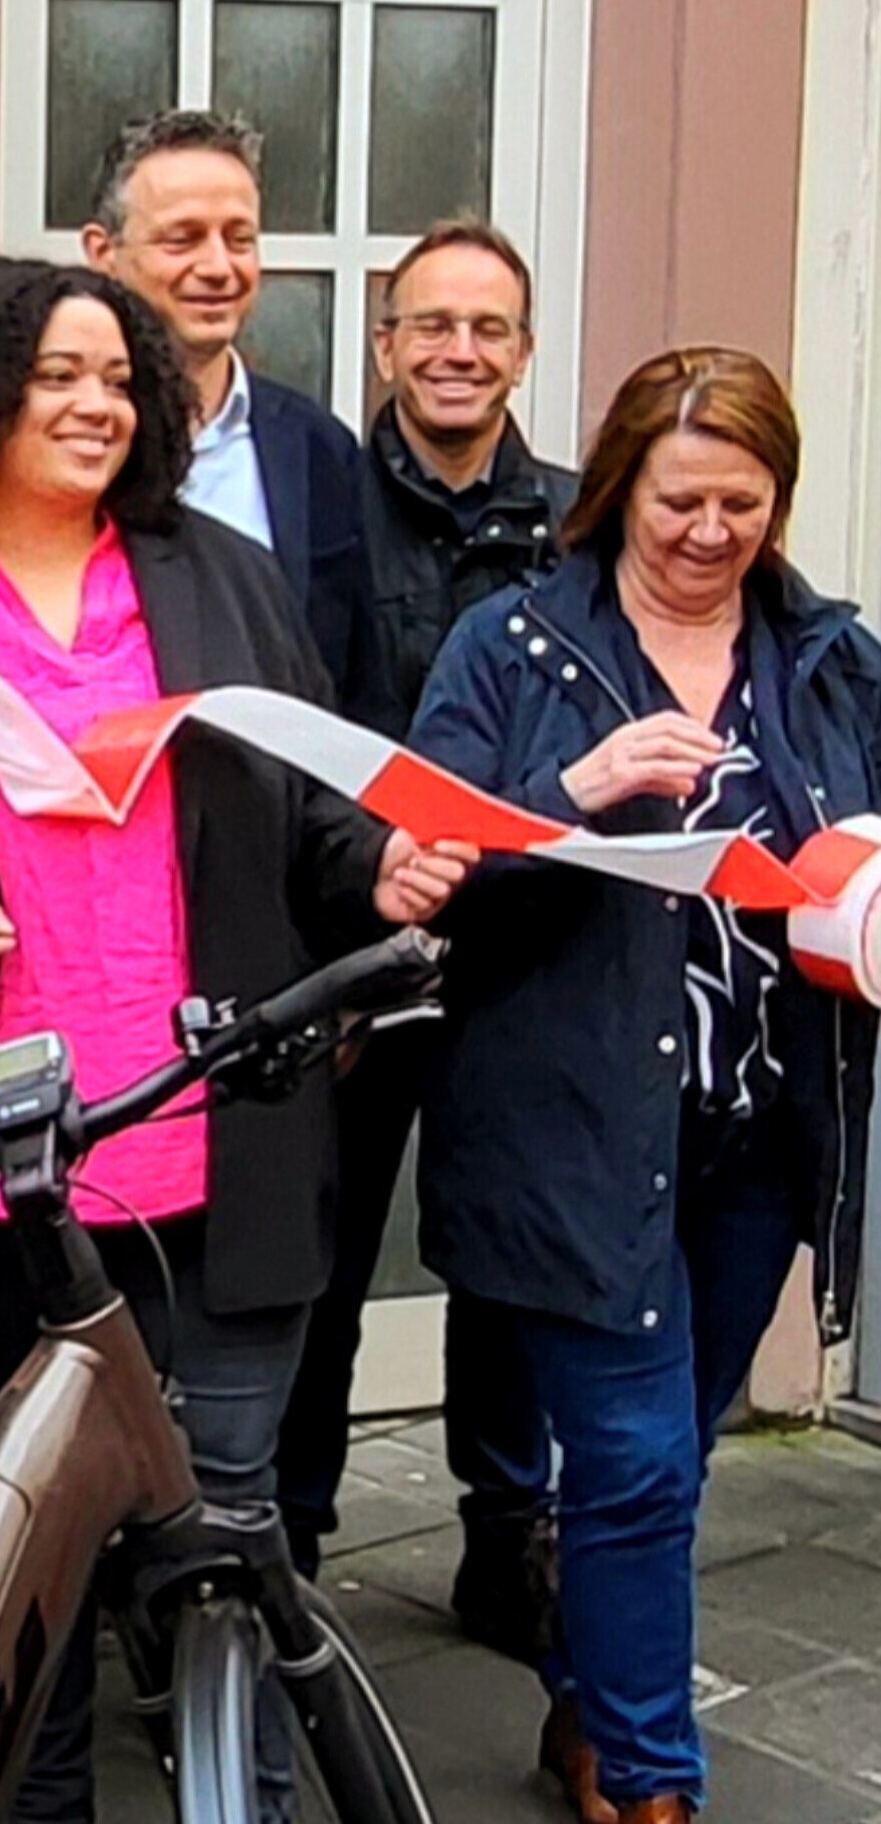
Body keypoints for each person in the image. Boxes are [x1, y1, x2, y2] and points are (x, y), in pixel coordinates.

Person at [0, 257, 467, 1824]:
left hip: (218, 1144)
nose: (94, 403)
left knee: (233, 1553)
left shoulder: (218, 574)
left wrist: (383, 868)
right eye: (53, 376)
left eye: (115, 376)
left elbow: (310, 823)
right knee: (34, 1581)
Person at [408, 347, 881, 1824]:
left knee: (663, 1462)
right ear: (619, 491)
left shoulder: (832, 658)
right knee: (629, 1460)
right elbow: (426, 865)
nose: (709, 531)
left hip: (758, 1132)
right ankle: (654, 1785)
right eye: (681, 499)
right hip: (571, 1132)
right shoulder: (513, 644)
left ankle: (588, 1709)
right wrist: (576, 792)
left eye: (744, 503)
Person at [275, 219, 568, 1640]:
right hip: (353, 948)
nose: (459, 351)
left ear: (523, 349)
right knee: (316, 1265)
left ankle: (507, 1534)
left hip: (526, 958)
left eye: (489, 328)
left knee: (505, 1254)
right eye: (430, 324)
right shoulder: (319, 516)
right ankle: (292, 1540)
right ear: (384, 343)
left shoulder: (582, 523)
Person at [81, 110, 372, 707]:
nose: (218, 267)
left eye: (239, 239)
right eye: (182, 239)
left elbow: (358, 683)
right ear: (102, 252)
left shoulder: (319, 452)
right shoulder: (58, 440)